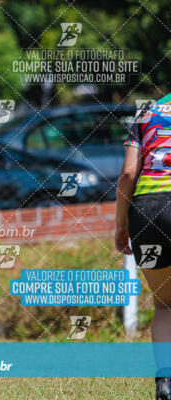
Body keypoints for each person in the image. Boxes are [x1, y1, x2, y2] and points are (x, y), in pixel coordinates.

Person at [115, 93, 171, 400]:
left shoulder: (146, 112)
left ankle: (165, 382)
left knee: (166, 305)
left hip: (146, 212)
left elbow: (127, 174)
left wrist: (121, 225)